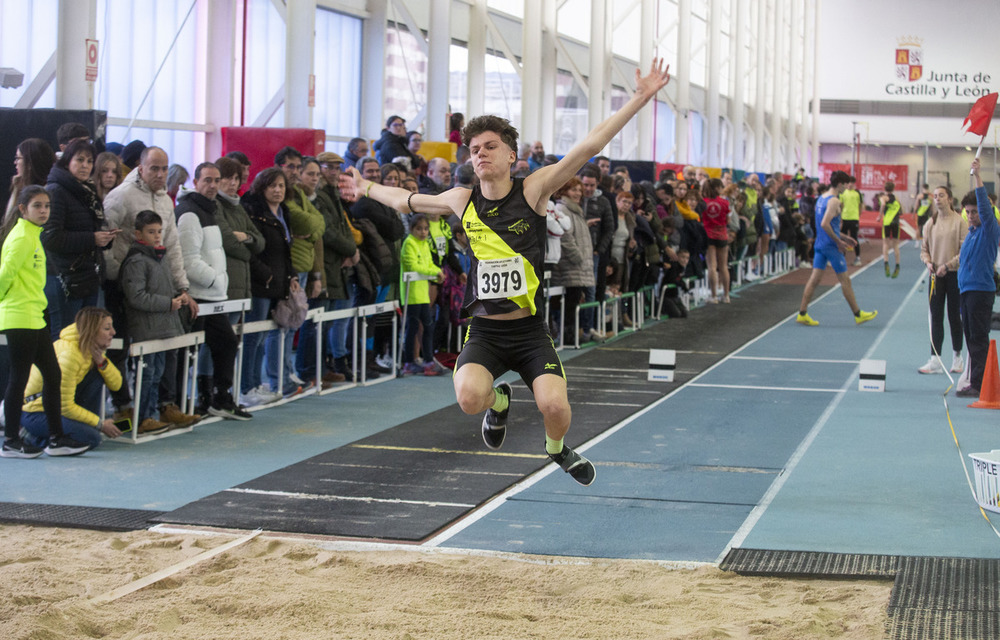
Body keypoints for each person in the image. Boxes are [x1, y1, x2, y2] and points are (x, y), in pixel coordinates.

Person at [347, 58, 671, 485]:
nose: (479, 153)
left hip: (529, 331)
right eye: (473, 149)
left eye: (489, 146)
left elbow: (589, 146)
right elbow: (403, 200)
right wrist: (365, 186)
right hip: (485, 331)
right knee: (468, 398)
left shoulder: (534, 189)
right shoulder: (461, 199)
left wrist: (640, 98)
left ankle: (556, 448)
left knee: (554, 408)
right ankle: (498, 401)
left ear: (512, 155)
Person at [104, 146, 200, 428]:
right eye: (154, 168)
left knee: (163, 352)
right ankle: (123, 408)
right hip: (122, 286)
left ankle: (162, 406)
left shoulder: (167, 201)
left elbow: (172, 245)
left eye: (164, 168)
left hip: (159, 286)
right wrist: (115, 276)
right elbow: (105, 238)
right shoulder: (120, 196)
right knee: (121, 351)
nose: (160, 174)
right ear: (141, 168)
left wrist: (182, 287)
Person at [0, 186, 90, 457]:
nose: (43, 211)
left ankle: (56, 438)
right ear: (22, 209)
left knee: (53, 375)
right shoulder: (21, 238)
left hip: (34, 317)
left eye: (47, 206)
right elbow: (4, 275)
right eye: (37, 206)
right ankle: (11, 441)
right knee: (19, 378)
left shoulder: (33, 236)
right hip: (20, 317)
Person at [176, 162, 250, 420]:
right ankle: (184, 403)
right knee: (188, 352)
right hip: (197, 296)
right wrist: (216, 280)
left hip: (213, 295)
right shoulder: (188, 212)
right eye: (207, 180)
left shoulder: (211, 209)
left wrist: (218, 283)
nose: (212, 185)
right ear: (195, 182)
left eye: (216, 180)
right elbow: (188, 260)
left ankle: (219, 397)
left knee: (227, 343)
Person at [21, 306, 124, 449]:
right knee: (92, 439)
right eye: (107, 328)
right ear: (92, 331)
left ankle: (81, 428)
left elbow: (117, 385)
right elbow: (65, 406)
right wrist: (99, 424)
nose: (113, 332)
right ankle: (30, 436)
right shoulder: (69, 355)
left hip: (56, 407)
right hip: (36, 413)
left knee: (99, 374)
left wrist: (101, 361)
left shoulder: (91, 348)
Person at [119, 210, 184, 435]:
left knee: (157, 374)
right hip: (145, 329)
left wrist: (178, 296)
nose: (157, 236)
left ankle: (152, 415)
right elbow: (136, 296)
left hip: (162, 326)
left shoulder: (160, 257)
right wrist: (168, 303)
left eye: (159, 231)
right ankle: (143, 417)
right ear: (138, 234)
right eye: (151, 232)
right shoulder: (136, 261)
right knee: (146, 375)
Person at [43, 139, 115, 338]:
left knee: (86, 339)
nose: (85, 165)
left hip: (88, 276)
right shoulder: (56, 191)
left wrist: (105, 238)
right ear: (67, 161)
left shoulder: (87, 190)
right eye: (80, 160)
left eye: (90, 161)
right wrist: (92, 238)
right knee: (66, 338)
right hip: (64, 278)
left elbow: (89, 230)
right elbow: (51, 238)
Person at [240, 168, 300, 398]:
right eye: (272, 186)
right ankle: (247, 387)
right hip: (260, 284)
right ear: (262, 187)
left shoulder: (283, 211)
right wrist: (265, 274)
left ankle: (257, 384)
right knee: (252, 338)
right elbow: (252, 249)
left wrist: (292, 275)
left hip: (279, 282)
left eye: (281, 186)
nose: (277, 190)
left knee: (264, 336)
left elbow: (285, 250)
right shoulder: (254, 211)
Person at [796, 171, 878, 327]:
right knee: (845, 280)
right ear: (840, 184)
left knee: (814, 280)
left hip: (820, 244)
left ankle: (802, 313)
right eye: (846, 184)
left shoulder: (822, 198)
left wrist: (845, 237)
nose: (847, 187)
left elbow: (829, 225)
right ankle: (858, 314)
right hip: (830, 247)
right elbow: (825, 224)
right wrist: (839, 242)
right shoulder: (834, 201)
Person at [955, 159, 999, 398]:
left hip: (980, 292)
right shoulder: (971, 234)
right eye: (968, 212)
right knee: (970, 339)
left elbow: (984, 205)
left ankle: (980, 384)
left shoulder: (990, 229)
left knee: (978, 338)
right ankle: (975, 380)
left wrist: (977, 175)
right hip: (966, 291)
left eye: (974, 212)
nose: (971, 216)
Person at [918, 185, 967, 375]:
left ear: (950, 199)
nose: (937, 199)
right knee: (936, 317)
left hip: (953, 275)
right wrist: (928, 262)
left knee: (954, 316)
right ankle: (935, 359)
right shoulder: (930, 223)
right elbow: (924, 250)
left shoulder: (959, 222)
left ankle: (957, 358)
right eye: (935, 196)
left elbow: (964, 252)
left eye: (941, 196)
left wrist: (947, 265)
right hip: (935, 277)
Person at [551, 178, 596, 342]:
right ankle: (566, 337)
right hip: (569, 267)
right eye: (573, 190)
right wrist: (578, 257)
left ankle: (570, 336)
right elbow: (565, 238)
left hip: (577, 267)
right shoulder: (561, 209)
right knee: (567, 305)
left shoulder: (576, 210)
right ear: (563, 191)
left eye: (579, 190)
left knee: (573, 303)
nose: (577, 193)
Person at [399, 214, 443, 376]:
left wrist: (437, 270)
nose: (423, 232)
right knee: (412, 328)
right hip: (411, 295)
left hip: (423, 294)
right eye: (419, 229)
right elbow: (413, 266)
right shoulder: (409, 243)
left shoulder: (424, 244)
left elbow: (429, 263)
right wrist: (434, 272)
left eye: (425, 229)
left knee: (428, 327)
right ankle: (409, 362)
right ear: (411, 229)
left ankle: (428, 360)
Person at [6, 138, 55, 220]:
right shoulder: (24, 186)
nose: (15, 162)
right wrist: (16, 190)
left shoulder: (48, 191)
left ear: (29, 162)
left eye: (18, 158)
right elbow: (8, 223)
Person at [701, 178, 731, 304]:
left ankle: (713, 296)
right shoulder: (725, 203)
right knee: (723, 266)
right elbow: (728, 220)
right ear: (718, 188)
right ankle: (726, 295)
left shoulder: (703, 202)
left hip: (708, 234)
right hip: (722, 234)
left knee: (712, 266)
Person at [879, 181, 902, 278]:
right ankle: (897, 265)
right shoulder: (896, 198)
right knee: (895, 245)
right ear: (893, 189)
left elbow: (883, 204)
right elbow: (901, 210)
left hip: (887, 223)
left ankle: (886, 262)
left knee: (886, 243)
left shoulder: (883, 197)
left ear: (885, 188)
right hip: (896, 223)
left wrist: (879, 216)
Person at [838, 177, 862, 266]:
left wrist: (858, 215)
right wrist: (840, 217)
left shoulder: (857, 193)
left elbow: (860, 205)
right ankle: (841, 258)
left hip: (854, 218)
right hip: (844, 218)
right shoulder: (843, 193)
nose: (850, 184)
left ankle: (858, 258)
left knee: (854, 238)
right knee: (842, 238)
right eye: (848, 183)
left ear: (854, 183)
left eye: (852, 183)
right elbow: (841, 205)